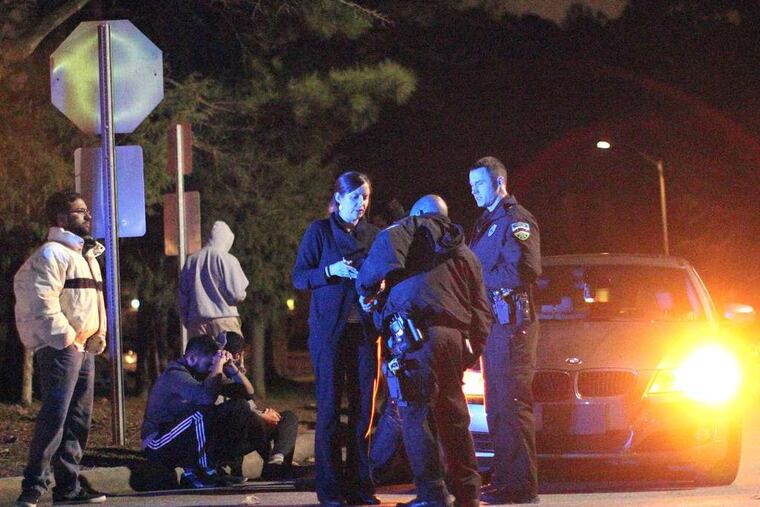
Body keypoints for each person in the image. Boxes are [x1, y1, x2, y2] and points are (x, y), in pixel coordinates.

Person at [356, 195, 492, 507]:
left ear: (418, 214)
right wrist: (469, 351)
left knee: (417, 417)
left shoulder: (405, 235)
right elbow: (482, 311)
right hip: (453, 340)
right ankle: (469, 493)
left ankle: (432, 495)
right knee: (454, 417)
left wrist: (370, 301)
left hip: (414, 339)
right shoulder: (466, 254)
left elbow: (369, 279)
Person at [13, 190, 107, 507]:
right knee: (55, 418)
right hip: (63, 348)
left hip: (82, 347)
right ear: (62, 219)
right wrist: (66, 337)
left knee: (77, 420)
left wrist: (98, 334)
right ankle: (32, 488)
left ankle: (68, 488)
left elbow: (92, 302)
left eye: (86, 211)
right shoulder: (51, 254)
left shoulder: (85, 256)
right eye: (81, 212)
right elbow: (40, 300)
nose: (88, 216)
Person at [292, 171, 380, 506]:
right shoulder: (319, 232)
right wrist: (331, 271)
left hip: (364, 333)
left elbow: (386, 272)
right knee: (329, 410)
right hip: (330, 334)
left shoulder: (373, 235)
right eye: (356, 197)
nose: (361, 204)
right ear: (339, 198)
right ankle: (330, 489)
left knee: (363, 412)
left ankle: (360, 486)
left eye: (366, 197)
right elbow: (300, 277)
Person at [467, 157, 541, 504]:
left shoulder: (516, 220)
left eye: (479, 185)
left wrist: (476, 282)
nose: (473, 191)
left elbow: (524, 269)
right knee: (496, 405)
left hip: (512, 324)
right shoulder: (487, 223)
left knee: (511, 404)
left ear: (499, 184)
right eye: (471, 186)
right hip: (494, 324)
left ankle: (520, 487)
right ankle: (505, 478)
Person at [141, 334, 269, 488]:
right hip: (157, 443)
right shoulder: (175, 374)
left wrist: (231, 368)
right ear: (192, 359)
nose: (211, 367)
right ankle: (203, 471)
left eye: (212, 364)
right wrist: (216, 366)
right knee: (200, 413)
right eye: (209, 363)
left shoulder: (202, 372)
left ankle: (214, 467)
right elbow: (206, 398)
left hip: (181, 438)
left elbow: (247, 392)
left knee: (239, 407)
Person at [219, 331, 300, 479]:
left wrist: (236, 370)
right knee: (257, 421)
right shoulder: (217, 376)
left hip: (250, 424)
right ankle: (273, 466)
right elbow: (238, 406)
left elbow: (249, 392)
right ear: (238, 355)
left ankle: (277, 459)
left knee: (288, 417)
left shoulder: (232, 374)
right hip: (233, 435)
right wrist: (261, 415)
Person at [179, 220, 249, 337]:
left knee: (201, 355)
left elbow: (183, 296)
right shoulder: (227, 259)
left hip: (197, 322)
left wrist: (188, 321)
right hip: (224, 320)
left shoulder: (191, 261)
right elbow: (237, 295)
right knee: (228, 354)